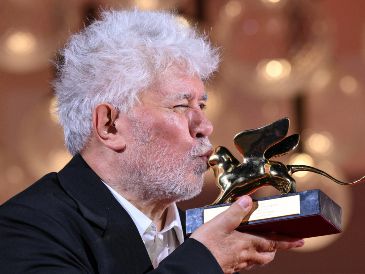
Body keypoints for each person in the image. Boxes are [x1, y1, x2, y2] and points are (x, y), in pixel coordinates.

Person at [0, 9, 304, 274]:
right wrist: (204, 262)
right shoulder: (26, 228)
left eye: (202, 106)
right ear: (109, 125)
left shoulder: (200, 236)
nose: (205, 126)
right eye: (181, 106)